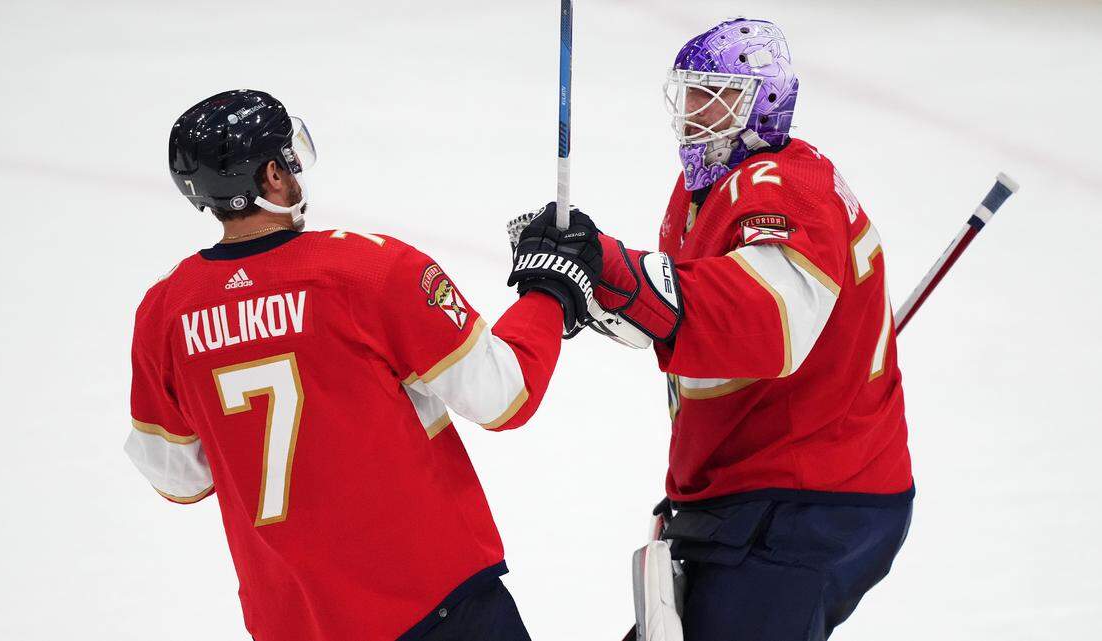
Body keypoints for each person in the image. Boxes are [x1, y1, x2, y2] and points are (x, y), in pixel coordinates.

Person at [125, 89, 600, 641]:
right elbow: (503, 397)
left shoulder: (165, 312)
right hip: (434, 607)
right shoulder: (369, 271)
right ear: (273, 176)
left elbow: (178, 478)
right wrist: (549, 291)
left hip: (294, 621)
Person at [514, 18, 914, 641]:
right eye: (692, 92)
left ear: (766, 100)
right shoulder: (708, 188)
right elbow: (684, 328)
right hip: (747, 490)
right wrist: (585, 287)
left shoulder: (787, 189)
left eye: (717, 94)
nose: (695, 111)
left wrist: (611, 266)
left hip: (805, 503)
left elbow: (762, 321)